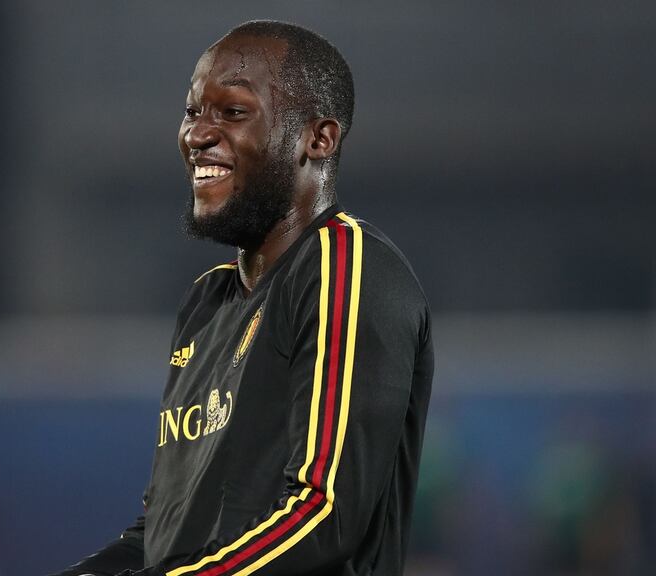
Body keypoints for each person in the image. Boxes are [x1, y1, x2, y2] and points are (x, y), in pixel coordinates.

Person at [50, 20, 433, 576]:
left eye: (232, 112)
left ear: (318, 139)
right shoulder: (207, 300)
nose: (198, 134)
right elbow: (162, 537)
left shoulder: (343, 265)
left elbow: (323, 514)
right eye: (191, 111)